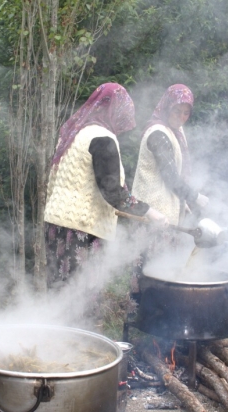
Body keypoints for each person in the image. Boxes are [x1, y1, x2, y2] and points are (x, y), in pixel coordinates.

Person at [43, 83, 168, 287]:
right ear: (115, 112)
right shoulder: (103, 138)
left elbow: (54, 179)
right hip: (81, 230)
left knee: (59, 293)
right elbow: (112, 192)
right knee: (80, 297)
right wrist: (149, 212)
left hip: (55, 224)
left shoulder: (73, 133)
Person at [131, 84, 208, 225]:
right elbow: (170, 177)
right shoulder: (158, 133)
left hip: (166, 213)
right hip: (151, 212)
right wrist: (194, 197)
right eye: (177, 111)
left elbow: (178, 172)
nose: (181, 117)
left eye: (186, 113)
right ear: (167, 107)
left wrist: (181, 201)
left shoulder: (176, 131)